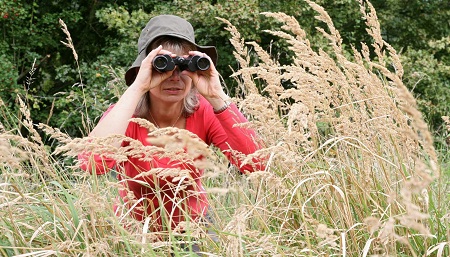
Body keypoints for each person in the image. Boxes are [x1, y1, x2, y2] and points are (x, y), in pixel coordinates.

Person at [78, 15, 263, 236]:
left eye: (183, 65)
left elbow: (257, 165)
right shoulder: (126, 114)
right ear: (144, 67)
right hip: (135, 229)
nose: (174, 76)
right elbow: (91, 163)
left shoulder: (203, 110)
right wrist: (138, 87)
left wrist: (216, 95)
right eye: (163, 66)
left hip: (194, 225)